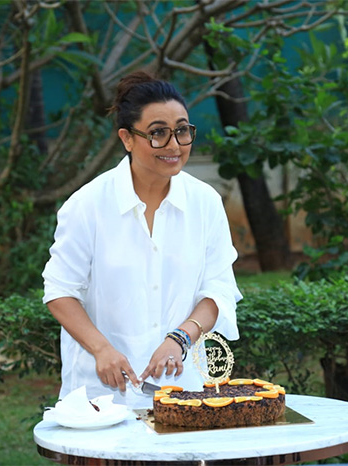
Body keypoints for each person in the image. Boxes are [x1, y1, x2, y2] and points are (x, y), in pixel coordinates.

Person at [42, 71, 242, 409]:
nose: (174, 145)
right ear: (127, 138)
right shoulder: (87, 205)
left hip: (184, 389)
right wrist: (101, 349)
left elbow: (218, 290)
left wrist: (180, 339)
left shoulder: (205, 202)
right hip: (100, 395)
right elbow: (60, 292)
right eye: (158, 133)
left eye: (182, 130)